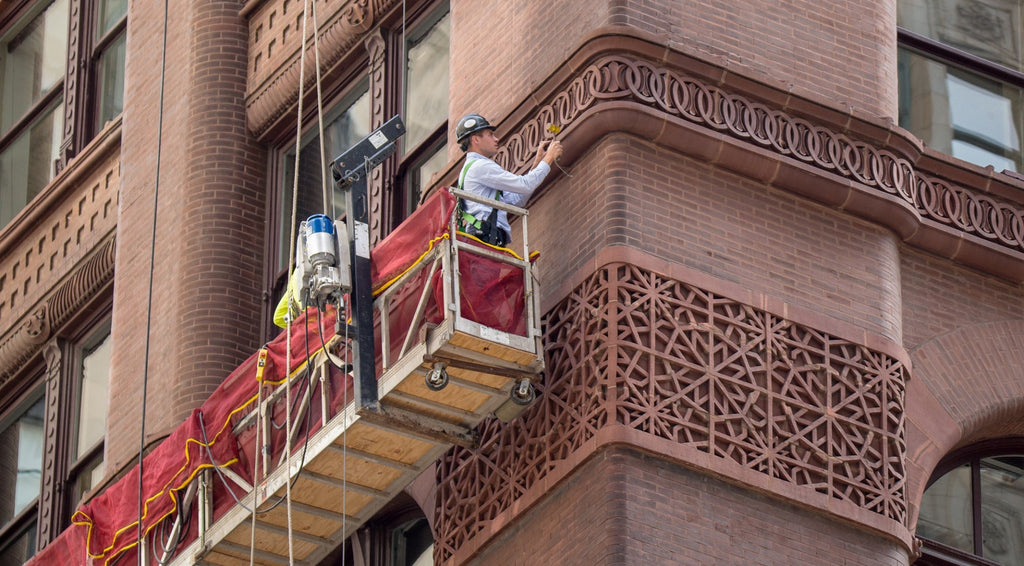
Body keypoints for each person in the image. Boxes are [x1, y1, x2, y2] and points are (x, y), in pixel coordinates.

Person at [454, 113, 563, 247]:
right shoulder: (480, 166)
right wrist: (549, 158)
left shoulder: (474, 168)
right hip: (485, 237)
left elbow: (516, 200)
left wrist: (538, 164)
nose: (496, 139)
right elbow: (526, 185)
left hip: (484, 235)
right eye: (490, 134)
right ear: (475, 139)